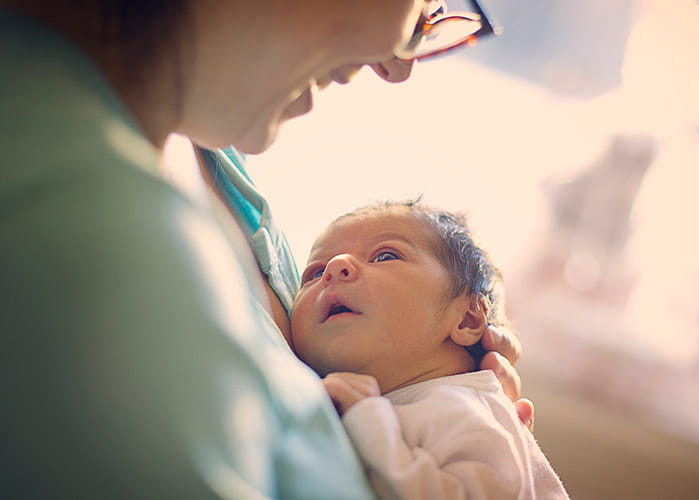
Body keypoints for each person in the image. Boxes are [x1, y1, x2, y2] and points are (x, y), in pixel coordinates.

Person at [0, 1, 532, 499]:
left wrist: (440, 406)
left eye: (387, 256)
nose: (398, 66)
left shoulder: (220, 166)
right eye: (423, 3)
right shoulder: (84, 221)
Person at [290, 200, 570, 500]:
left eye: (384, 255)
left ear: (467, 318)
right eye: (315, 273)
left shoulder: (460, 406)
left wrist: (366, 418)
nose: (335, 267)